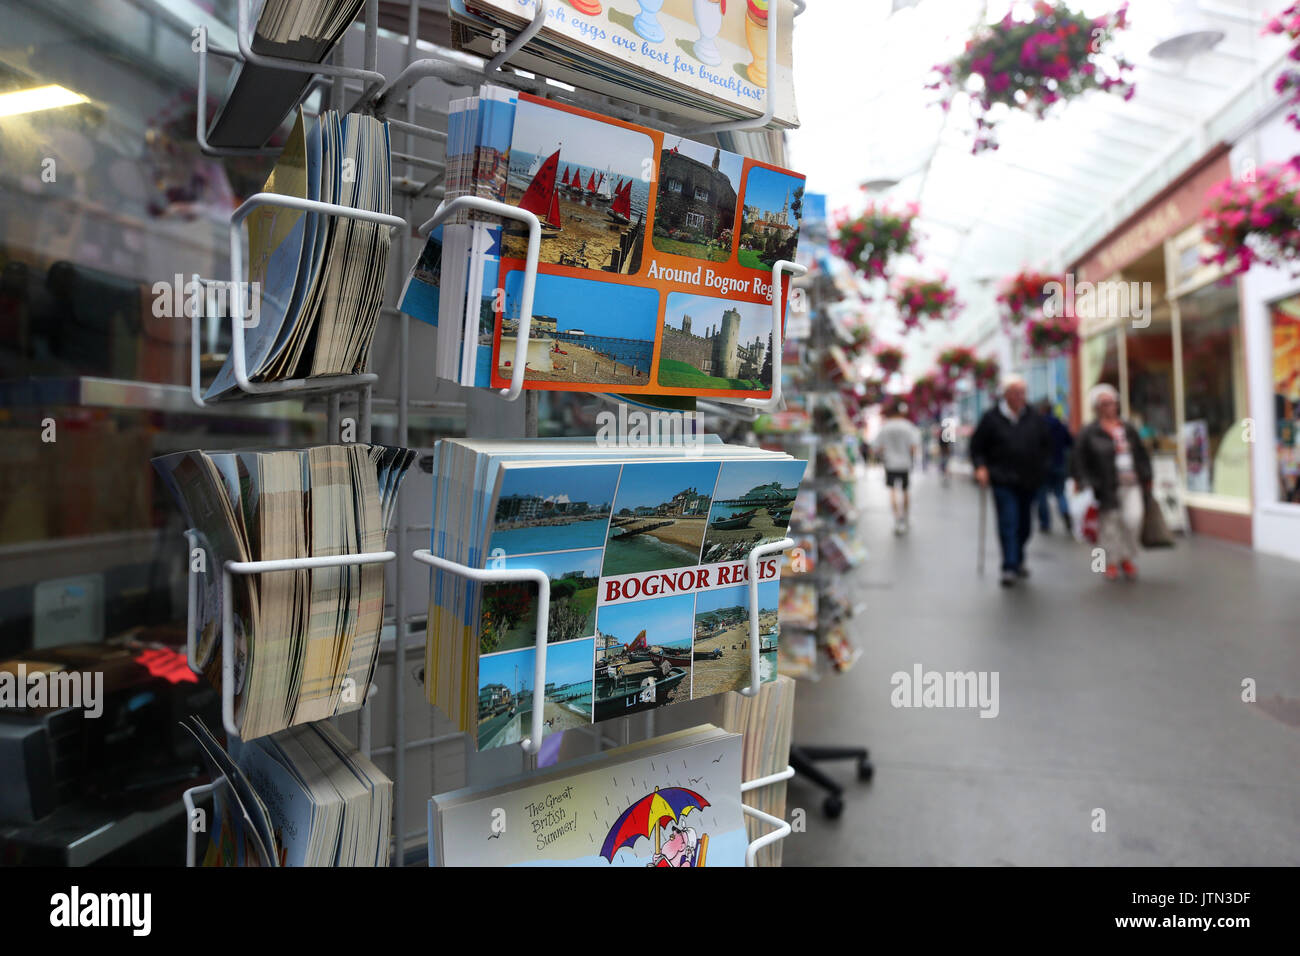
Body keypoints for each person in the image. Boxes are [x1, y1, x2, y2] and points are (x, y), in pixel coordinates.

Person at [969, 376, 1052, 587]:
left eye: (1023, 392)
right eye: (1016, 392)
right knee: (1008, 521)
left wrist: (1044, 468)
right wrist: (980, 467)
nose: (1020, 397)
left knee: (1025, 525)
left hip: (1029, 479)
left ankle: (1019, 555)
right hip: (1002, 479)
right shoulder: (991, 418)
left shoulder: (1033, 416)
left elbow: (1046, 444)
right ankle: (1009, 566)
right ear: (1006, 394)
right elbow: (977, 446)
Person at [1073, 383, 1152, 581]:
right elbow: (1079, 458)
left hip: (1131, 482)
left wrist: (1147, 475)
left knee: (1133, 519)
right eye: (1106, 403)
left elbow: (1141, 453)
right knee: (1110, 524)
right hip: (1105, 484)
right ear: (1097, 407)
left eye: (1113, 402)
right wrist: (1083, 480)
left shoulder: (1127, 427)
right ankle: (1110, 562)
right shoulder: (1090, 431)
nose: (1111, 407)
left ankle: (1126, 554)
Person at [876, 400, 922, 534]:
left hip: (890, 463)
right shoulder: (908, 426)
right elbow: (914, 447)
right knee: (905, 490)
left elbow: (877, 447)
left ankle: (897, 519)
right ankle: (905, 517)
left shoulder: (885, 427)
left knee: (892, 491)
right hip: (905, 463)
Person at [1034, 399, 1074, 534]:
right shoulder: (1060, 425)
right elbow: (1070, 442)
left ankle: (1045, 523)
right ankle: (1065, 512)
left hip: (1041, 466)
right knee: (1060, 493)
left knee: (1042, 496)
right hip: (1059, 463)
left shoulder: (1036, 426)